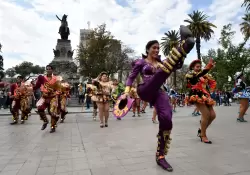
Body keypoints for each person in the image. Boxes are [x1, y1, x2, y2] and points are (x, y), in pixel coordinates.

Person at [120, 25, 195, 171]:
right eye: (154, 47)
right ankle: (184, 44)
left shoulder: (162, 63)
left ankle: (160, 156)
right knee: (162, 71)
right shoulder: (140, 62)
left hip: (159, 92)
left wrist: (179, 58)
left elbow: (175, 66)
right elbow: (131, 77)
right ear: (147, 49)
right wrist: (126, 91)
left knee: (167, 119)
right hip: (145, 89)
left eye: (158, 48)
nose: (156, 50)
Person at [186, 59, 216, 144]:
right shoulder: (190, 74)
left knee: (213, 115)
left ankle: (201, 130)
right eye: (197, 67)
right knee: (206, 114)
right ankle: (203, 135)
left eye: (200, 67)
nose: (199, 68)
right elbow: (198, 76)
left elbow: (212, 82)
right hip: (196, 95)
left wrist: (211, 88)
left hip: (206, 95)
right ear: (192, 67)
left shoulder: (204, 75)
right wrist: (208, 67)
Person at [33, 65, 61, 133]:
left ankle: (53, 126)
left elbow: (59, 90)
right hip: (44, 97)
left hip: (53, 97)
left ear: (52, 70)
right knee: (39, 108)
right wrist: (33, 87)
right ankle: (45, 121)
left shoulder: (56, 79)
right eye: (47, 69)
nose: (48, 70)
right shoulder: (42, 78)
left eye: (49, 69)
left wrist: (53, 93)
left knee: (51, 112)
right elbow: (37, 86)